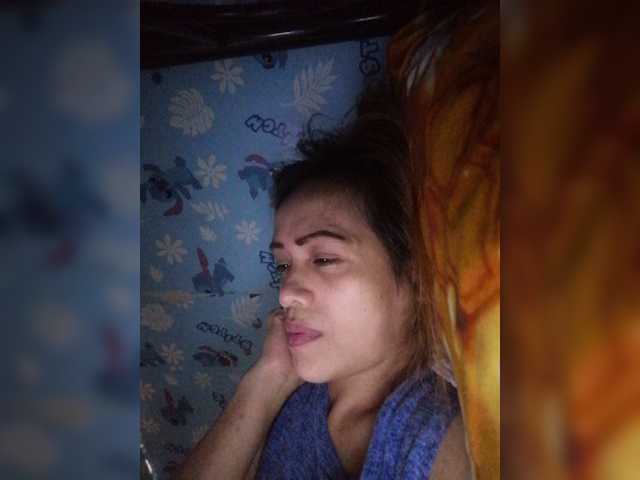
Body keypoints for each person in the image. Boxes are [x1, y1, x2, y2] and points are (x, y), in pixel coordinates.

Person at [175, 81, 470, 480]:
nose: (286, 294)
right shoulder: (298, 388)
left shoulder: (433, 438)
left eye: (325, 259)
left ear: (414, 275)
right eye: (283, 265)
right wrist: (266, 381)